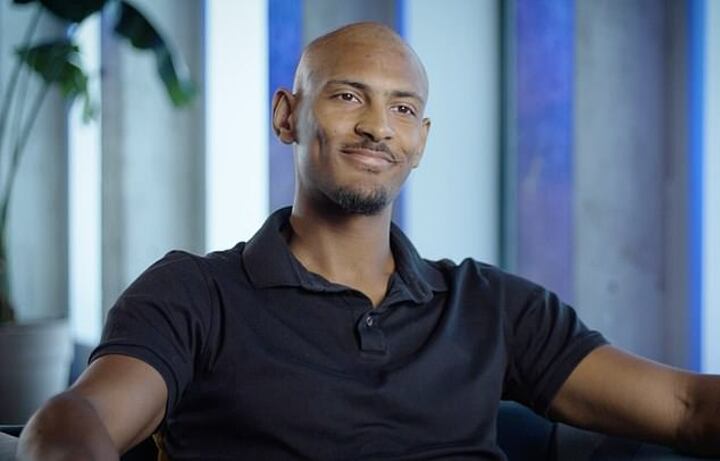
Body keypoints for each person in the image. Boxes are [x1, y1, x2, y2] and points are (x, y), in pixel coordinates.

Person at [17, 22, 720, 461]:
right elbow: (77, 418)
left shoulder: (491, 305)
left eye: (403, 108)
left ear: (421, 140)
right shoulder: (195, 294)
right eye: (348, 96)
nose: (378, 126)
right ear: (287, 116)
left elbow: (687, 407)